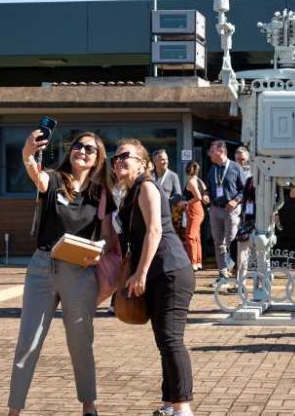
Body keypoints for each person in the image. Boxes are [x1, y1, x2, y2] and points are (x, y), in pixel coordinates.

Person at [8, 131, 115, 416]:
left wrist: (99, 250)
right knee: (28, 342)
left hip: (79, 270)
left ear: (98, 159)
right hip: (42, 267)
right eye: (78, 145)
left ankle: (89, 405)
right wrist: (28, 154)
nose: (82, 151)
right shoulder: (54, 179)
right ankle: (14, 410)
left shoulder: (100, 193)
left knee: (81, 342)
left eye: (90, 149)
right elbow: (37, 176)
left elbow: (108, 237)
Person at [112, 138, 196, 416]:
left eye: (125, 155)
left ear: (143, 163)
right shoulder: (128, 191)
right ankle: (170, 404)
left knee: (171, 340)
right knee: (164, 340)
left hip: (169, 270)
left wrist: (141, 273)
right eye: (115, 157)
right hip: (159, 272)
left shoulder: (146, 186)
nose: (118, 160)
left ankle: (183, 408)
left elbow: (155, 230)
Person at [205, 140, 246, 282]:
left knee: (232, 241)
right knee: (218, 242)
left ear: (221, 152)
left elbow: (244, 190)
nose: (209, 154)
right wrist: (206, 194)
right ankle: (223, 273)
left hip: (231, 210)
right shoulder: (212, 169)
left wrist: (235, 201)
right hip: (215, 209)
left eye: (212, 151)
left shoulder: (236, 168)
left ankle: (236, 272)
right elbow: (208, 187)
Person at [183, 161, 208, 271]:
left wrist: (186, 202)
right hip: (198, 210)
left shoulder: (191, 182)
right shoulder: (199, 180)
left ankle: (193, 262)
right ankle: (198, 262)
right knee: (196, 236)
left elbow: (198, 197)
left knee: (190, 236)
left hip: (194, 210)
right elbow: (205, 192)